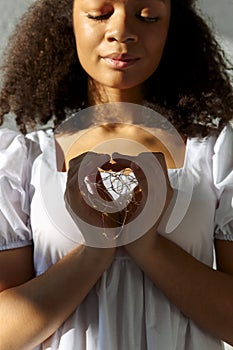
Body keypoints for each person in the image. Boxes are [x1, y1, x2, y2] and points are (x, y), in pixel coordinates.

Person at [0, 0, 233, 349]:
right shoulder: (25, 161)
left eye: (148, 16)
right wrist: (95, 251)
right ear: (69, 22)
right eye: (99, 13)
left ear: (172, 27)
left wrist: (148, 246)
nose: (122, 32)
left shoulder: (216, 156)